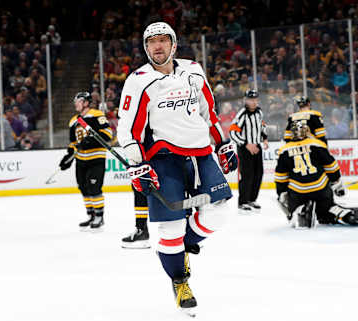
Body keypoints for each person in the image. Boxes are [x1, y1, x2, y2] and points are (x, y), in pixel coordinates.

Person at [116, 22, 237, 316]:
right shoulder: (138, 80)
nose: (157, 46)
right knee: (170, 228)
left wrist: (222, 143)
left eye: (162, 40)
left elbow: (209, 111)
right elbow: (127, 129)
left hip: (201, 154)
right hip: (162, 158)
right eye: (151, 42)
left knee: (220, 212)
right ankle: (180, 281)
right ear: (146, 48)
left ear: (174, 44)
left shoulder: (194, 70)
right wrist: (137, 164)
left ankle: (183, 247)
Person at [275, 120, 358, 229]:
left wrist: (281, 192)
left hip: (299, 193)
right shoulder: (317, 144)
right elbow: (331, 166)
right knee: (325, 214)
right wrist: (336, 182)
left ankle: (300, 211)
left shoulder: (284, 150)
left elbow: (281, 177)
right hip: (320, 190)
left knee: (291, 208)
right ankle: (339, 213)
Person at [58, 92, 113, 230]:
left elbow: (108, 134)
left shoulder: (97, 115)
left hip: (96, 158)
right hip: (81, 160)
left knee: (94, 188)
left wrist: (90, 141)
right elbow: (73, 142)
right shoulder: (73, 120)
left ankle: (100, 216)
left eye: (79, 101)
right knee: (83, 188)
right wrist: (68, 157)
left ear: (86, 102)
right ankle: (91, 215)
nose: (76, 103)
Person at [228, 89, 268, 213]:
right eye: (250, 99)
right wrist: (246, 144)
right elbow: (232, 131)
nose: (253, 102)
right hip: (245, 148)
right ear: (246, 100)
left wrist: (264, 139)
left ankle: (252, 199)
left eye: (255, 99)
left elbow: (262, 126)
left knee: (258, 174)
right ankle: (243, 202)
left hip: (257, 147)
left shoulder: (259, 112)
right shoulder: (242, 114)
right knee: (247, 175)